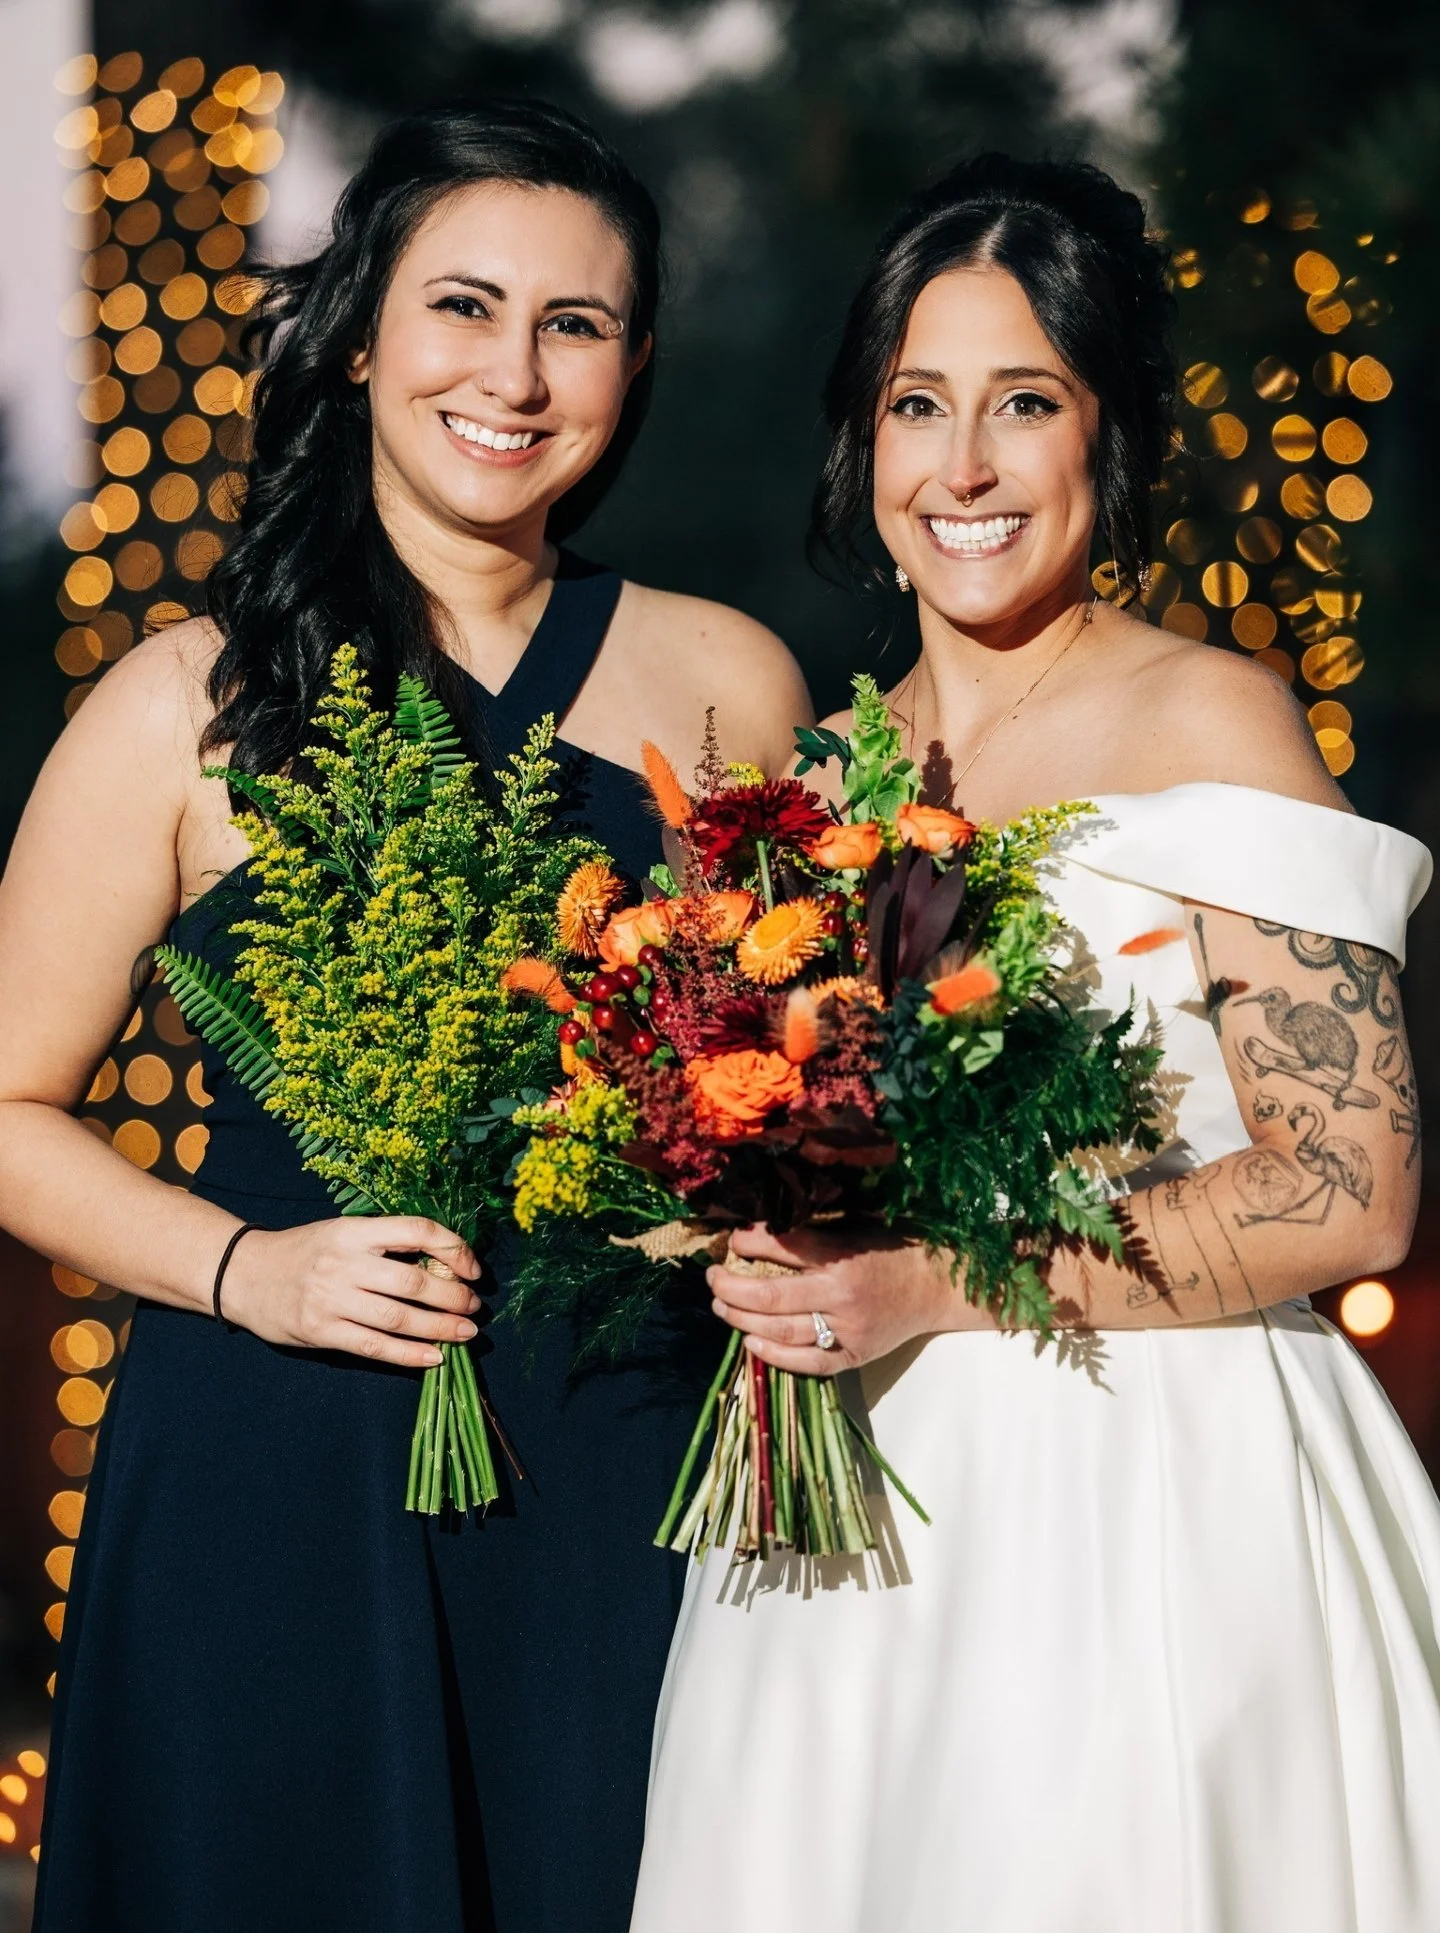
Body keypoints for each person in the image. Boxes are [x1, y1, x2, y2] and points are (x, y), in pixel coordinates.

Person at [0, 100, 811, 1933]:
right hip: (276, 1457)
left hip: (628, 1465)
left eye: (577, 324)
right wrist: (242, 1272)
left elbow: (777, 1067)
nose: (514, 374)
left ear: (636, 365)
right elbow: (4, 1107)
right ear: (362, 331)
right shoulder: (177, 704)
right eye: (463, 305)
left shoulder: (731, 680)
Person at [632, 154, 1440, 1933]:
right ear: (865, 437)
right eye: (919, 404)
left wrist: (935, 1285)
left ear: (1110, 435)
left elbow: (1355, 1192)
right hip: (844, 1520)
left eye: (1025, 405)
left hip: (1153, 1491)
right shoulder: (827, 772)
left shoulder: (1209, 715)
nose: (965, 470)